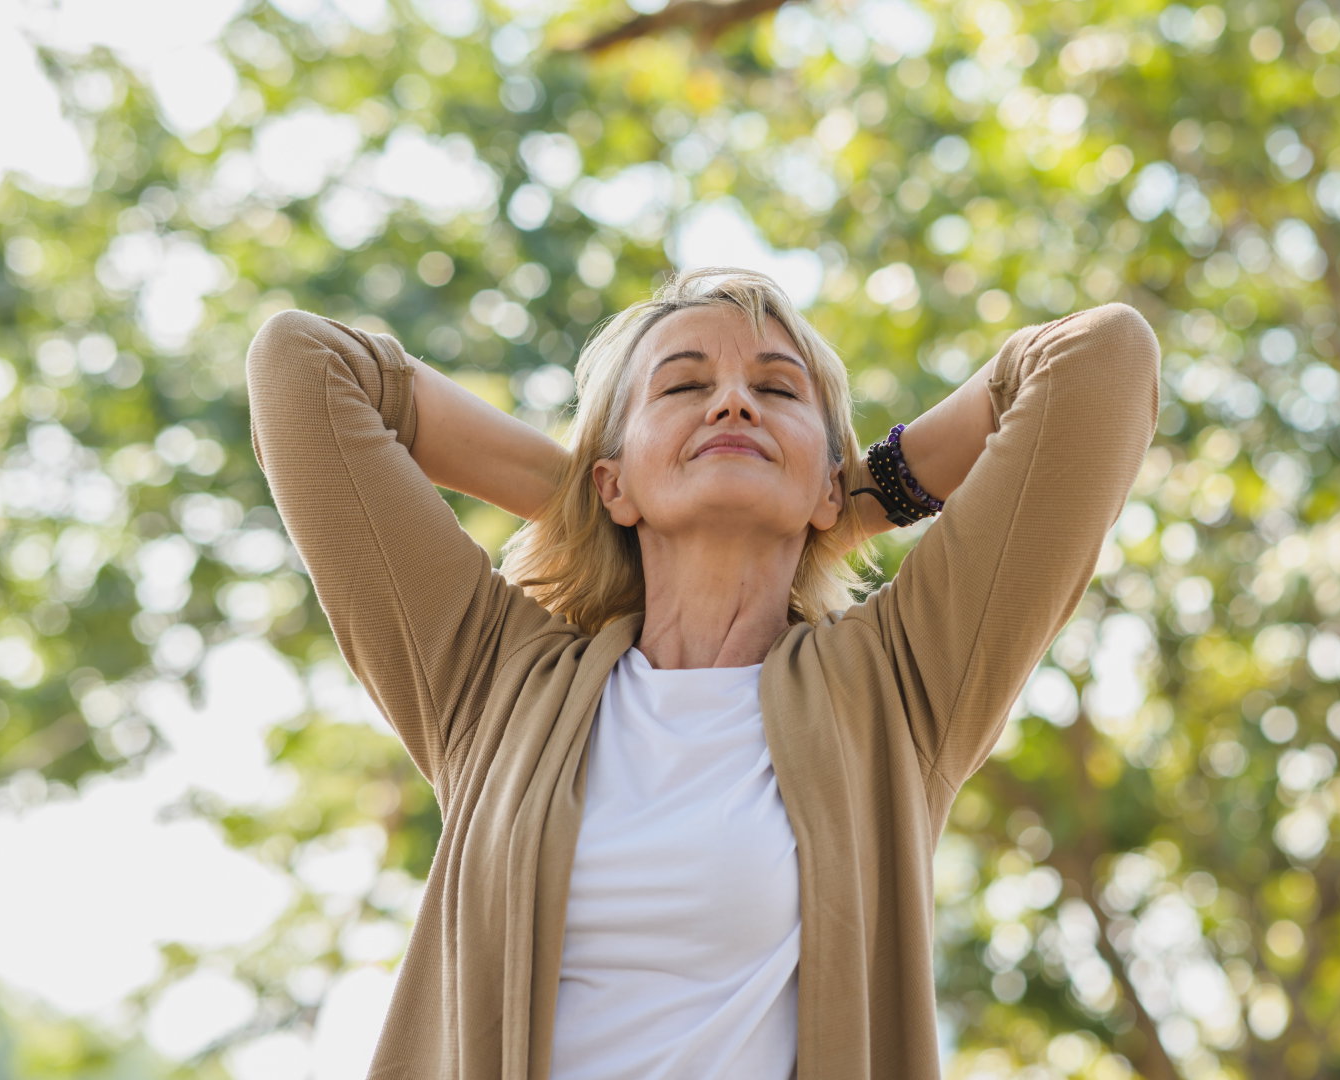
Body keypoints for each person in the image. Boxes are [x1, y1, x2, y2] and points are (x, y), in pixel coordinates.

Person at [244, 265, 1160, 1079]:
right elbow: (305, 368)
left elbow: (1100, 362)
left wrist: (846, 501)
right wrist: (592, 501)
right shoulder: (493, 679)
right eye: (684, 386)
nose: (733, 404)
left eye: (776, 390)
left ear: (828, 483)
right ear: (612, 480)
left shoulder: (897, 686)